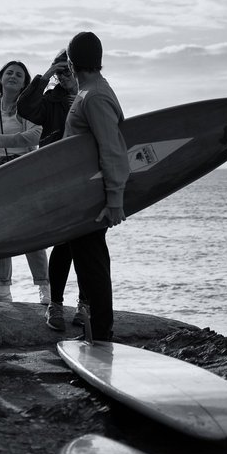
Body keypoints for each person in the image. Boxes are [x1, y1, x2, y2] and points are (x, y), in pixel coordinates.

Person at [59, 31, 129, 341]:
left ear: (72, 64)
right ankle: (96, 333)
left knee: (93, 266)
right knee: (89, 265)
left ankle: (101, 336)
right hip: (81, 194)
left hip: (92, 196)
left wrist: (114, 199)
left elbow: (112, 148)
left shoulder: (96, 95)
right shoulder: (89, 91)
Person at [17, 49, 88, 331]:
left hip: (89, 177)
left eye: (67, 69)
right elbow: (24, 108)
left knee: (89, 245)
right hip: (59, 179)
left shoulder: (93, 95)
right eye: (60, 72)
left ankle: (85, 303)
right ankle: (56, 306)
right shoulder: (52, 100)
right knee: (64, 242)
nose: (63, 75)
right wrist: (46, 75)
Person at [0, 60, 49, 303]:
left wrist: (2, 141)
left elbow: (35, 136)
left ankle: (44, 289)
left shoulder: (28, 105)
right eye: (9, 72)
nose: (13, 76)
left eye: (19, 75)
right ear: (0, 78)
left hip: (22, 167)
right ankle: (2, 289)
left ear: (24, 83)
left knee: (29, 228)